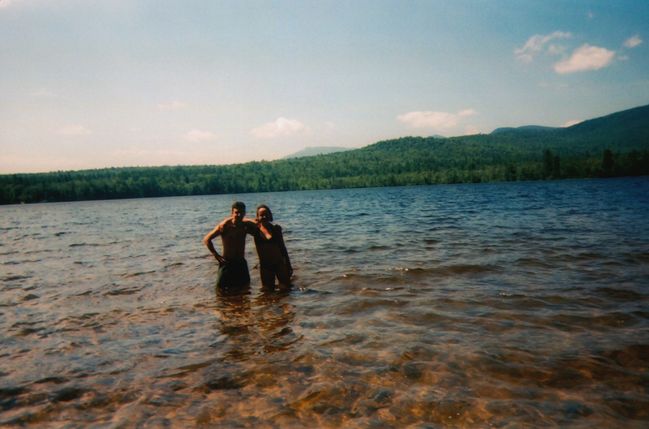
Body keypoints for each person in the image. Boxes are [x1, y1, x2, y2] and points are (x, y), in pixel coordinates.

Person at [203, 201, 256, 288]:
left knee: (245, 289)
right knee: (220, 290)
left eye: (241, 212)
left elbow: (258, 224)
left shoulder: (245, 226)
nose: (239, 215)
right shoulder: (225, 226)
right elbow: (207, 239)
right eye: (236, 213)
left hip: (240, 262)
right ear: (232, 213)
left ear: (244, 213)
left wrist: (248, 220)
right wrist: (216, 255)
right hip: (227, 262)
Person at [253, 204, 293, 289]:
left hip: (279, 264)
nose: (264, 217)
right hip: (265, 266)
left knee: (286, 290)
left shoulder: (276, 229)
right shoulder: (255, 230)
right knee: (267, 292)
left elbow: (283, 248)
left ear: (270, 215)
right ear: (257, 217)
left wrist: (288, 265)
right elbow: (241, 219)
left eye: (266, 214)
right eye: (261, 215)